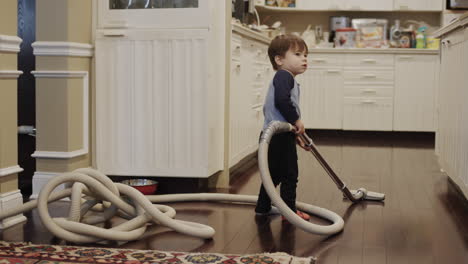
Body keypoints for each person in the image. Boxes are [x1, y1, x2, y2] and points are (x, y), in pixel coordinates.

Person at [255, 34, 311, 221]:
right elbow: (282, 102)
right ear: (279, 60)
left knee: (272, 174)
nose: (304, 58)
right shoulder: (283, 76)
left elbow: (284, 109)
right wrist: (297, 120)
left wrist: (296, 135)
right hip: (277, 134)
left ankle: (263, 207)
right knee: (289, 174)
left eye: (305, 55)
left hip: (276, 134)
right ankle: (289, 212)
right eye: (297, 54)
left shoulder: (288, 79)